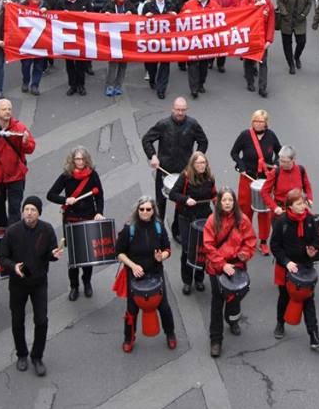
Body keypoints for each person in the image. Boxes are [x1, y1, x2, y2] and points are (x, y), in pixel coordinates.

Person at [0, 195, 64, 376]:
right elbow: (2, 257)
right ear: (22, 212)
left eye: (33, 210)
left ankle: (37, 356)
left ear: (38, 213)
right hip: (18, 283)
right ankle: (21, 354)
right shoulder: (12, 232)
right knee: (17, 320)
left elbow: (50, 254)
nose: (29, 213)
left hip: (39, 283)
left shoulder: (47, 229)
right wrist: (14, 267)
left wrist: (54, 255)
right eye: (26, 209)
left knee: (42, 321)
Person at [115, 195, 177, 353]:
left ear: (153, 210)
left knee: (164, 307)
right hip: (134, 274)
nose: (144, 212)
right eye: (141, 209)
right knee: (132, 309)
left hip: (155, 272)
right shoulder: (129, 229)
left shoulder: (158, 227)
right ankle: (128, 338)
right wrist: (133, 266)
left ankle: (170, 334)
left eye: (148, 209)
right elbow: (119, 252)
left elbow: (167, 249)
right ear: (137, 210)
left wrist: (161, 256)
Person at [141, 97, 209, 239]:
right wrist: (153, 156)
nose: (180, 112)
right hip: (164, 170)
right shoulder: (163, 124)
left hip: (184, 172)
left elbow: (203, 141)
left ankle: (177, 231)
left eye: (183, 110)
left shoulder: (193, 124)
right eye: (177, 109)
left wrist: (196, 159)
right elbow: (146, 139)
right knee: (161, 202)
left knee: (182, 203)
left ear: (186, 109)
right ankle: (159, 231)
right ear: (172, 109)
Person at [47, 147, 105, 300]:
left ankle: (87, 282)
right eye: (77, 159)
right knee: (73, 258)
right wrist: (65, 200)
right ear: (72, 160)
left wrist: (99, 212)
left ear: (87, 160)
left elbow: (99, 196)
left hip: (88, 218)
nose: (80, 162)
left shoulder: (93, 175)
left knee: (87, 256)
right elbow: (50, 195)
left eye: (82, 159)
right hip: (71, 219)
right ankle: (74, 286)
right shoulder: (66, 176)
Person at [203, 187, 256, 357]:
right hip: (217, 268)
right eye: (224, 200)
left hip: (237, 265)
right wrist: (222, 265)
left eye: (230, 200)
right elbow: (208, 246)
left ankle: (233, 321)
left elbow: (250, 241)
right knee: (217, 303)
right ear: (218, 202)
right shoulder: (212, 221)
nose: (227, 203)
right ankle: (216, 340)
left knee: (235, 297)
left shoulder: (243, 220)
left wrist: (244, 255)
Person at [270, 188, 319, 348]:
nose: (303, 206)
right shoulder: (281, 221)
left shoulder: (311, 219)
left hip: (305, 267)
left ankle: (314, 335)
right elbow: (274, 245)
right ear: (290, 206)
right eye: (299, 204)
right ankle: (280, 323)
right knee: (284, 297)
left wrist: (312, 250)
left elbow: (317, 241)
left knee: (309, 300)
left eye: (304, 203)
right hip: (285, 267)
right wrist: (286, 262)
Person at [230, 110, 281, 256]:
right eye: (255, 121)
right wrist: (240, 165)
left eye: (261, 121)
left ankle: (263, 241)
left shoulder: (271, 136)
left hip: (266, 180)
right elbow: (234, 153)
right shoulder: (245, 135)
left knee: (265, 212)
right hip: (248, 177)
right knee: (245, 209)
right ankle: (244, 238)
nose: (258, 124)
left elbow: (279, 151)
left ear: (266, 123)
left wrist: (276, 163)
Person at [0, 99, 36, 227]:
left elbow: (30, 149)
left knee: (15, 211)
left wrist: (25, 142)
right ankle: (2, 235)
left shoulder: (19, 127)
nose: (8, 112)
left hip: (16, 175)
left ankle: (12, 239)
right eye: (4, 109)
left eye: (9, 109)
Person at [169, 151, 216, 294]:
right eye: (199, 163)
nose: (202, 166)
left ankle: (199, 279)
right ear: (193, 164)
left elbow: (214, 195)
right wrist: (185, 199)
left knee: (202, 249)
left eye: (204, 163)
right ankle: (187, 281)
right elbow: (173, 194)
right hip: (187, 217)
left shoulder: (209, 177)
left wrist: (218, 201)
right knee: (187, 249)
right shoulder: (185, 177)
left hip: (204, 218)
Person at [180, 0, 218, 98]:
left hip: (207, 41)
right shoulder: (189, 4)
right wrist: (183, 15)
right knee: (192, 65)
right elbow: (179, 20)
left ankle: (201, 83)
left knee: (203, 65)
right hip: (193, 40)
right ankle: (194, 88)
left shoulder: (215, 6)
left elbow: (222, 19)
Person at [142, 0, 175, 98]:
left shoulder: (170, 4)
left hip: (166, 41)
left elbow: (177, 21)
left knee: (165, 65)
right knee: (152, 65)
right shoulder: (147, 6)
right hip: (152, 42)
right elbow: (140, 23)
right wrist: (146, 17)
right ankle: (152, 79)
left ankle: (161, 89)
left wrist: (175, 15)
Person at [275, 0, 311, 74]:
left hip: (300, 20)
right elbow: (280, 1)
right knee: (287, 43)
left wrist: (304, 14)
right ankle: (291, 63)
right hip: (287, 20)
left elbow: (309, 3)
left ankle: (296, 57)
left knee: (302, 42)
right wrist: (284, 13)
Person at [243, 0, 275, 97]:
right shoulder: (247, 2)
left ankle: (262, 87)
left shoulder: (268, 6)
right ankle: (250, 82)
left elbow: (271, 24)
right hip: (249, 37)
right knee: (249, 61)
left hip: (262, 39)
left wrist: (269, 40)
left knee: (263, 63)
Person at [262, 145, 314, 216]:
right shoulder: (274, 173)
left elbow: (307, 186)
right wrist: (275, 207)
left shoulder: (301, 170)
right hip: (281, 211)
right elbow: (264, 192)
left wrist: (309, 198)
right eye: (280, 160)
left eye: (285, 161)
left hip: (297, 210)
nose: (281, 164)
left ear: (293, 159)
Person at [104, 0, 136, 96]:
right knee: (113, 63)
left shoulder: (129, 5)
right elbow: (101, 16)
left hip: (126, 40)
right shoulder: (109, 5)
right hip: (113, 40)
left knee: (123, 64)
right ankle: (109, 85)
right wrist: (106, 15)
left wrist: (131, 14)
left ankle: (118, 85)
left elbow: (137, 17)